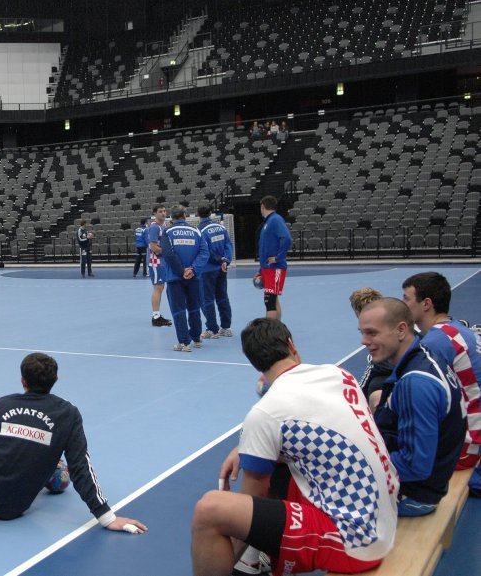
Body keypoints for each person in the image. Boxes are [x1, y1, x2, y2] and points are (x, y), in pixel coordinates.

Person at [190, 318, 397, 576]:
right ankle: (261, 556)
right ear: (291, 345)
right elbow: (308, 429)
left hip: (356, 543)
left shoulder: (266, 411)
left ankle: (251, 559)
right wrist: (246, 446)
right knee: (279, 462)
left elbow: (254, 498)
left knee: (210, 511)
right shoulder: (338, 374)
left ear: (256, 365)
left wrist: (224, 549)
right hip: (383, 511)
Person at [0, 352, 147, 534]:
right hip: (12, 508)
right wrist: (107, 518)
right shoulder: (68, 414)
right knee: (47, 457)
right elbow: (80, 468)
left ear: (22, 381)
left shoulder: (1, 405)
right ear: (56, 380)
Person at [360, 298, 466, 516]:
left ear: (400, 330)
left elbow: (415, 465)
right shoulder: (424, 355)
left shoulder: (415, 384)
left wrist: (360, 464)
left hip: (414, 495)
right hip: (429, 480)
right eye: (362, 332)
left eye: (372, 333)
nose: (364, 341)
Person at [401, 272, 481, 484]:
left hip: (468, 445)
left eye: (406, 298)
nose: (402, 304)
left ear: (426, 303)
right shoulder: (457, 328)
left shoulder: (435, 343)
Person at [160, 205, 208, 352]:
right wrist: (193, 269)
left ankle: (184, 342)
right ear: (185, 216)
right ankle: (196, 338)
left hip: (175, 278)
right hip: (193, 277)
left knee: (178, 310)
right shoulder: (196, 231)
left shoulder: (167, 232)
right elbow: (204, 253)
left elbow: (168, 255)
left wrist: (181, 271)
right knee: (194, 307)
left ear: (172, 218)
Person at [348, 287, 391, 410]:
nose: (364, 341)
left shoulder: (378, 349)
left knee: (374, 386)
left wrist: (355, 405)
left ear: (357, 312)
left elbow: (367, 380)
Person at [196, 206, 233, 339]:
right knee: (223, 297)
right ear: (211, 214)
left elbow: (206, 252)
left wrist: (218, 260)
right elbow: (228, 245)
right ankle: (226, 327)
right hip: (221, 269)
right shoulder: (221, 228)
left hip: (207, 270)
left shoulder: (200, 230)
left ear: (198, 215)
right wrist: (225, 261)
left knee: (207, 300)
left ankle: (212, 329)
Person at [254, 195, 292, 321]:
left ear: (262, 206)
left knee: (269, 301)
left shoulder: (275, 220)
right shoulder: (269, 222)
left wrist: (278, 258)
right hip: (268, 268)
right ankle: (277, 328)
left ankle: (270, 332)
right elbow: (266, 248)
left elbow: (287, 238)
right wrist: (261, 270)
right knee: (273, 300)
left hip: (275, 268)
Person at [145, 205, 172, 327]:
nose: (163, 213)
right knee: (158, 288)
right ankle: (155, 317)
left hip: (163, 262)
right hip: (156, 262)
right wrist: (168, 251)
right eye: (160, 211)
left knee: (160, 288)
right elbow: (154, 247)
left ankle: (157, 315)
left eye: (164, 211)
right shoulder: (154, 227)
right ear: (155, 214)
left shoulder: (163, 227)